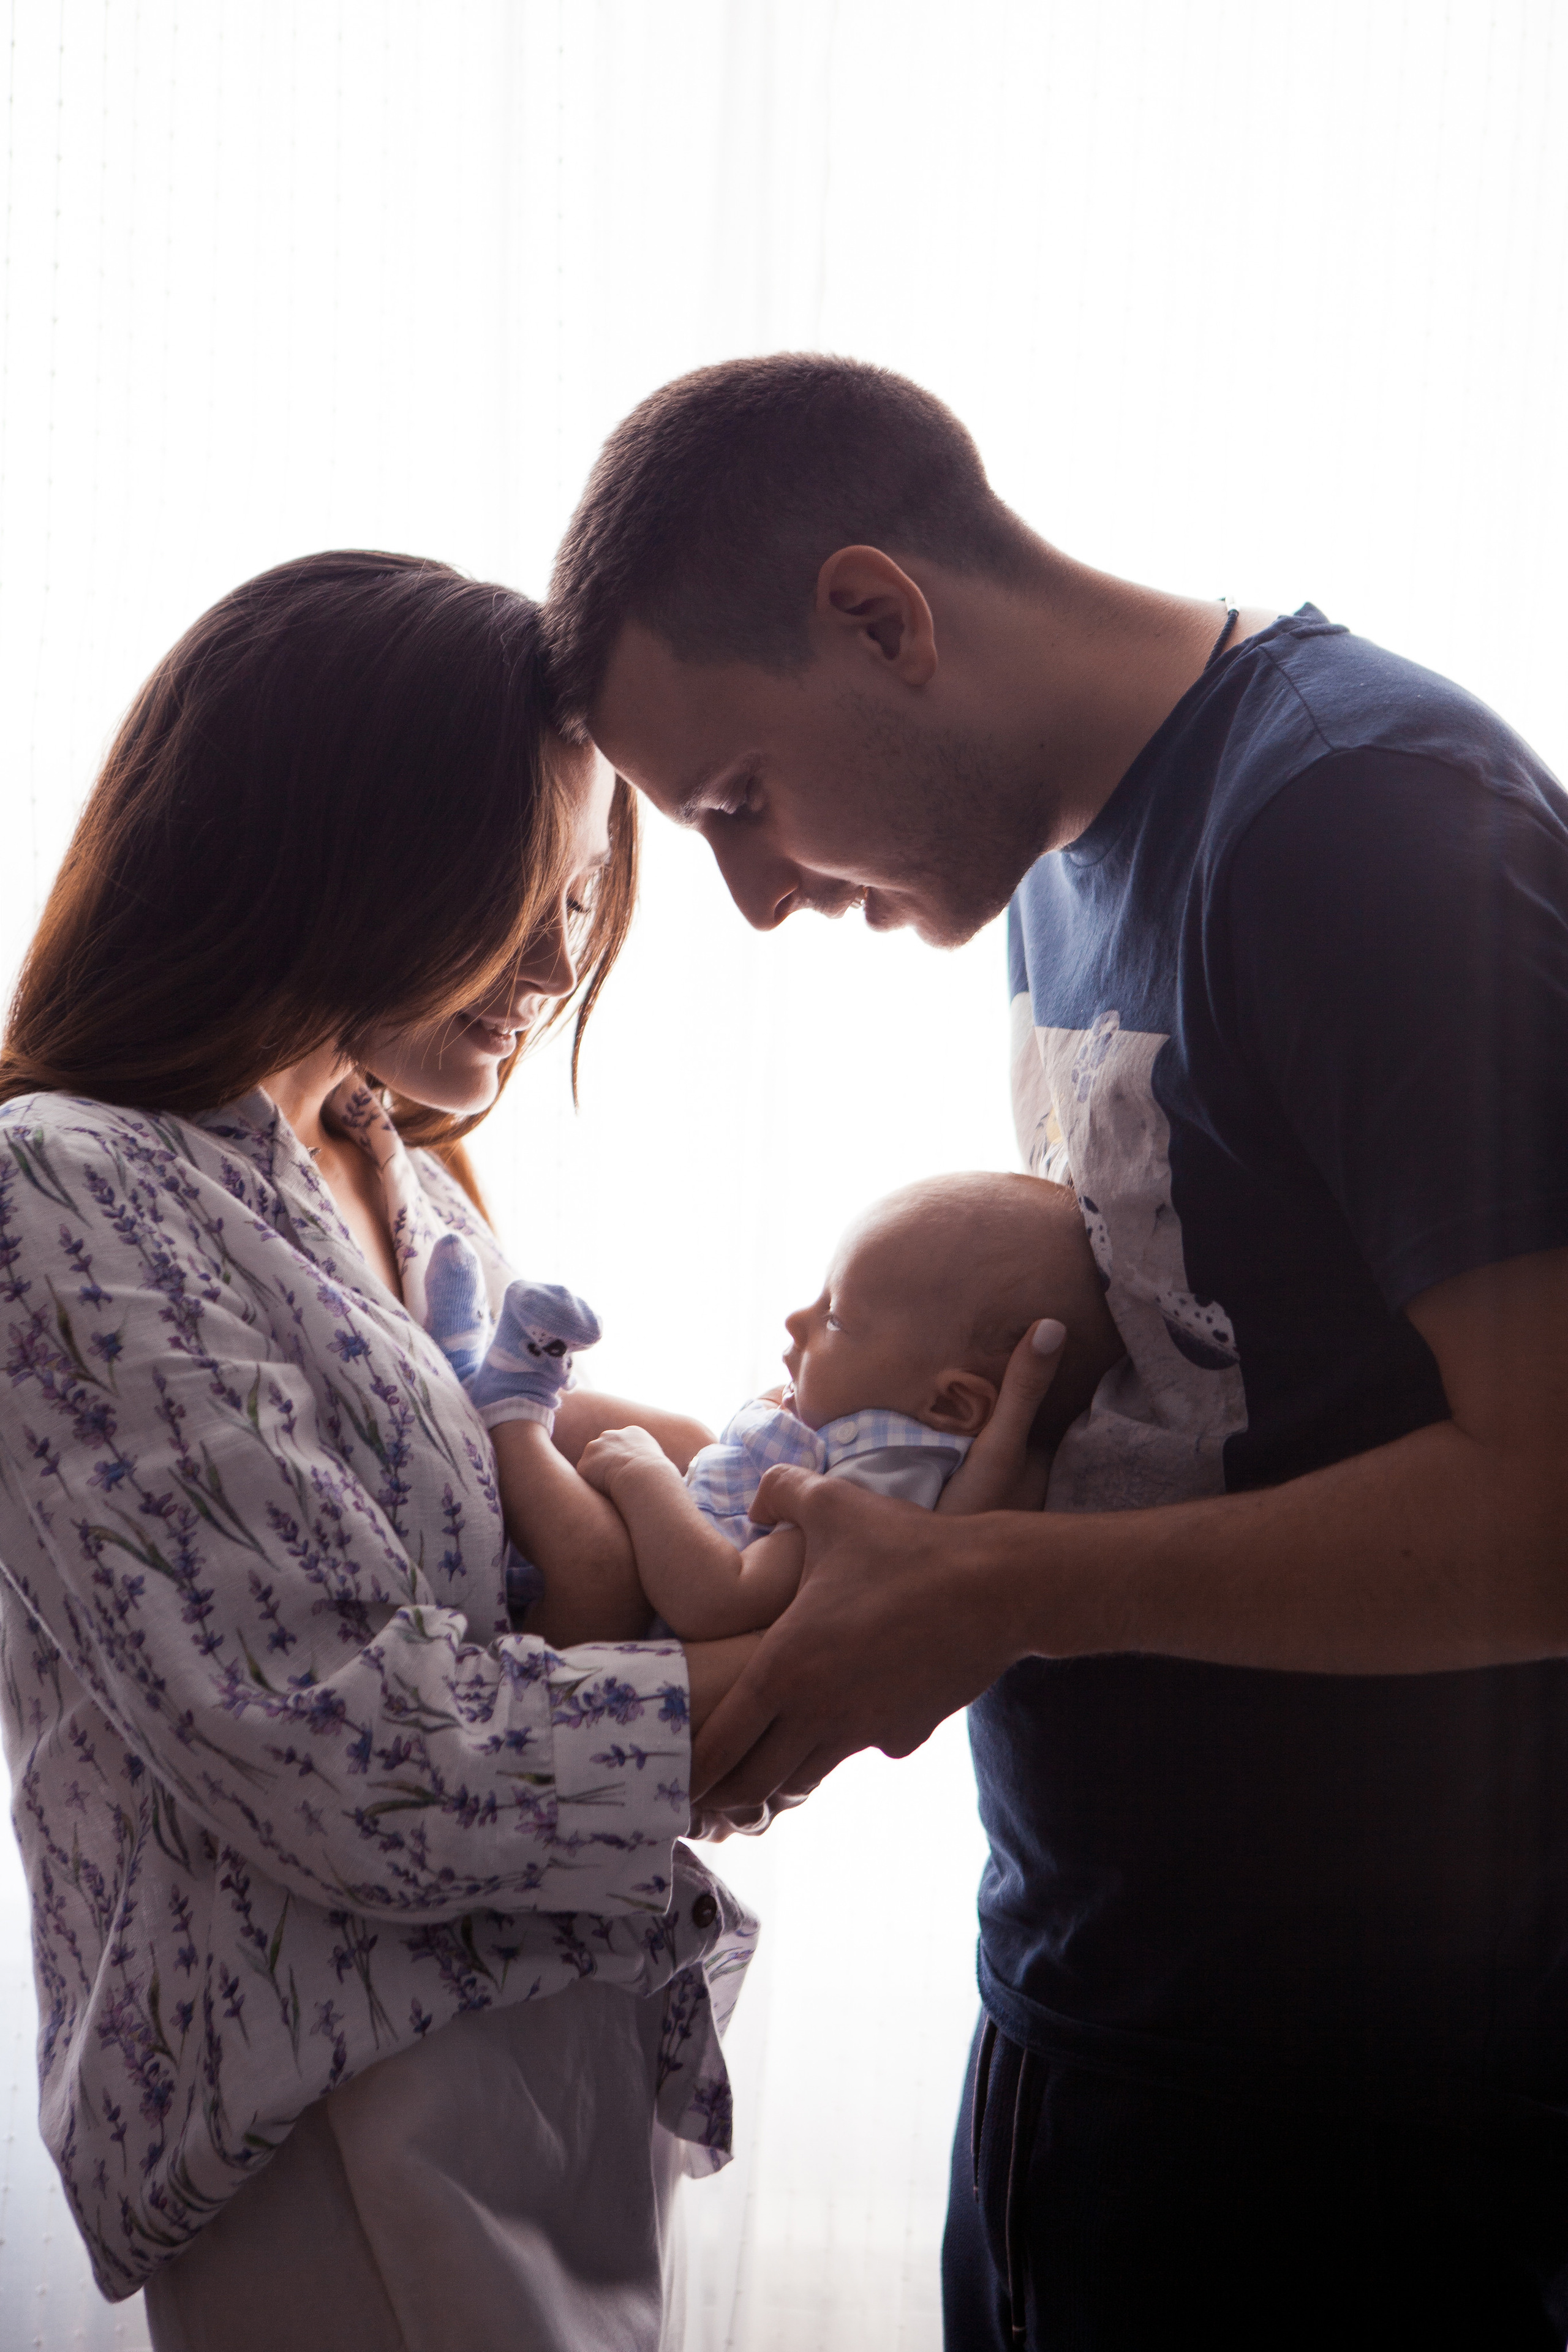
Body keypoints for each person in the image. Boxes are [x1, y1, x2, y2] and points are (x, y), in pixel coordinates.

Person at [540, 355, 1568, 2346]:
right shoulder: (1055, 880)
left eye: (739, 802)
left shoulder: (1364, 821)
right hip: (1087, 2038)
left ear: (880, 616)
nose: (751, 897)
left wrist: (997, 1588)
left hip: (1358, 2135)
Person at [0, 550, 761, 2352]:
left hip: (521, 2066)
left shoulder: (397, 1180)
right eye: (526, 888)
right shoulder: (63, 1188)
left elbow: (502, 1525)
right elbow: (335, 1749)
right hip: (338, 2122)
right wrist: (780, 1679)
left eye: (585, 893)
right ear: (336, 846)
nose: (568, 958)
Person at [527, 1174, 1123, 1639]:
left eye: (834, 1317)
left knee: (591, 1544)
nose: (796, 1321)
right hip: (657, 1565)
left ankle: (508, 1404)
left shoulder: (879, 1489)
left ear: (950, 1403)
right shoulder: (876, 1445)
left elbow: (715, 1599)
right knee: (603, 1426)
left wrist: (643, 1475)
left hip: (629, 1637)